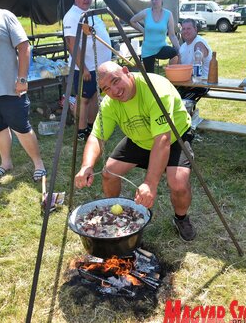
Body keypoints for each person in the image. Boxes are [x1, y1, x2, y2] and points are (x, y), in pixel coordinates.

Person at [75, 61, 196, 242]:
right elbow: (97, 137)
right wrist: (86, 166)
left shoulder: (155, 89)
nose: (114, 91)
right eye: (107, 88)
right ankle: (114, 213)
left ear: (126, 71)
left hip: (172, 137)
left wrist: (150, 183)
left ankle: (181, 218)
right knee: (109, 173)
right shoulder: (110, 103)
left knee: (178, 183)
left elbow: (162, 140)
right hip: (138, 139)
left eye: (116, 81)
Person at [0, 0, 46, 181]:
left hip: (10, 86)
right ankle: (6, 163)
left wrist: (22, 78)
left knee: (21, 127)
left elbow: (24, 46)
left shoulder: (3, 16)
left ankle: (38, 164)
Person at [63, 0, 111, 141]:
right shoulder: (72, 16)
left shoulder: (91, 13)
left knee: (95, 97)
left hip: (99, 67)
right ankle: (81, 131)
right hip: (86, 68)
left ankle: (91, 126)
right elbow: (72, 44)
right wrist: (83, 68)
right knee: (83, 100)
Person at [130, 0, 180, 73]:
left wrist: (180, 49)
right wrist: (143, 30)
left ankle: (170, 76)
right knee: (150, 76)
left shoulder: (168, 14)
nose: (154, 1)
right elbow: (132, 21)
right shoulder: (146, 12)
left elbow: (172, 35)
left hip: (161, 48)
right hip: (148, 50)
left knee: (174, 53)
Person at [177, 18, 212, 101]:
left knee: (182, 102)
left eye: (189, 28)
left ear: (195, 29)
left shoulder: (199, 43)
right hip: (185, 83)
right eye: (184, 29)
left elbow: (199, 55)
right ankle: (192, 113)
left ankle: (190, 113)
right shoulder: (183, 47)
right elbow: (178, 67)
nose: (186, 31)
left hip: (201, 84)